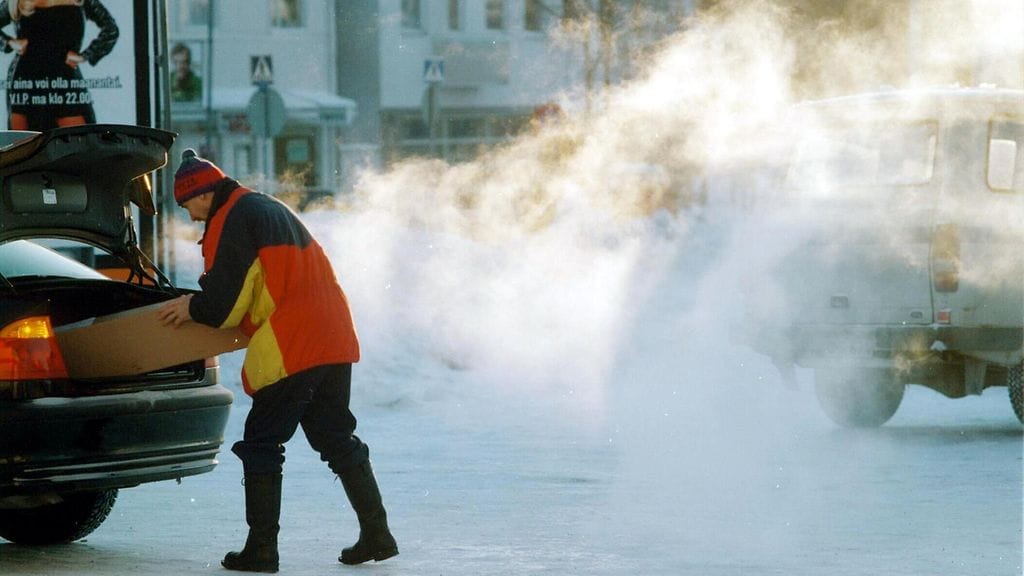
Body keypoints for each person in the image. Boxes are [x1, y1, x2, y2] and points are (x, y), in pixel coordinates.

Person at [157, 150, 398, 572]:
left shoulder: (231, 218)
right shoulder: (264, 206)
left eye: (187, 204)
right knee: (335, 435)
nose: (190, 216)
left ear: (203, 193)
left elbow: (223, 303)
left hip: (295, 338)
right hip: (333, 331)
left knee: (261, 442)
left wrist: (191, 307)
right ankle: (377, 533)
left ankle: (261, 549)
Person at [0, 0, 119, 130]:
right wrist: (9, 43)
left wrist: (86, 55)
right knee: (24, 141)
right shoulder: (15, 1)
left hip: (65, 79)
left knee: (80, 139)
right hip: (26, 79)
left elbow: (111, 29)